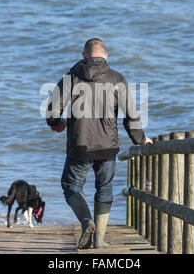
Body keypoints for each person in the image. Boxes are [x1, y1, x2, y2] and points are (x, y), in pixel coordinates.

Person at [46, 38, 152, 249]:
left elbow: (51, 110)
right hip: (108, 146)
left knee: (71, 186)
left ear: (84, 55)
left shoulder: (72, 77)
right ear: (106, 55)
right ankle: (100, 240)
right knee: (104, 188)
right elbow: (131, 115)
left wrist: (58, 123)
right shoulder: (117, 78)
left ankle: (87, 222)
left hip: (80, 145)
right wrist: (140, 139)